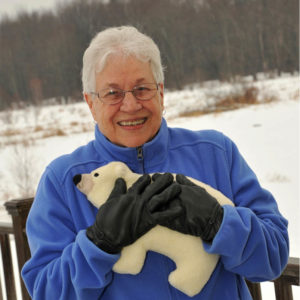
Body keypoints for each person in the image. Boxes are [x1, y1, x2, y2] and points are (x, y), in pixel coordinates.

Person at [21, 26, 289, 299]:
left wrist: (219, 222)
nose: (130, 105)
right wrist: (99, 242)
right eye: (113, 93)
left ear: (160, 93)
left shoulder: (215, 153)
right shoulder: (63, 180)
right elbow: (46, 291)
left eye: (142, 89)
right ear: (91, 103)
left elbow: (274, 257)